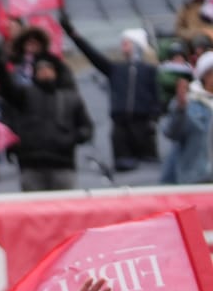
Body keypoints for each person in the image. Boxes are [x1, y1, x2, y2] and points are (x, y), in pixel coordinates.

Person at [62, 14, 160, 171]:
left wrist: (153, 119)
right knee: (123, 168)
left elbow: (157, 97)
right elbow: (93, 55)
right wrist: (73, 34)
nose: (123, 46)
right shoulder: (116, 69)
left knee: (148, 169)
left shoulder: (150, 71)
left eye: (126, 43)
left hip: (143, 127)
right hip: (120, 127)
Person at [0, 54, 92, 193]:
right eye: (40, 69)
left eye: (48, 68)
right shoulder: (24, 95)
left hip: (63, 164)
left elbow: (86, 128)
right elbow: (7, 89)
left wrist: (70, 139)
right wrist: (0, 66)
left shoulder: (70, 98)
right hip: (31, 165)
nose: (44, 72)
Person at [160, 51, 213, 187]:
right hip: (196, 180)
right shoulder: (189, 103)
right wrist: (180, 108)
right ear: (205, 76)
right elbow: (171, 132)